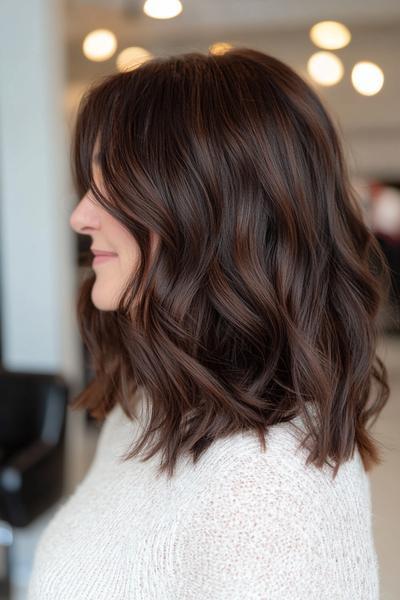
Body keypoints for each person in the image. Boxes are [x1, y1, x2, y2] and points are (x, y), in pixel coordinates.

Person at [27, 47, 390, 599]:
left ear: (208, 213)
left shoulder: (270, 496)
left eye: (112, 184)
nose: (80, 216)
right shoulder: (152, 404)